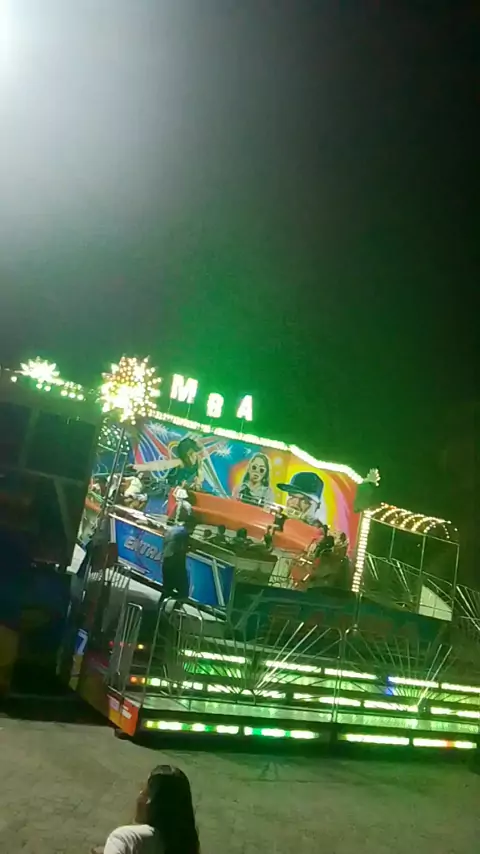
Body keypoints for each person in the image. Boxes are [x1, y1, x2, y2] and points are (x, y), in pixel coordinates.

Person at [92, 764, 200, 854]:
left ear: (149, 801)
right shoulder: (185, 845)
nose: (139, 794)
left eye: (144, 790)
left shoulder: (125, 838)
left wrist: (115, 846)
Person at [161, 513, 196, 599]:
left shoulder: (172, 529)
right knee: (184, 592)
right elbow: (182, 548)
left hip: (166, 560)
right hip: (176, 563)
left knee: (166, 589)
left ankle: (160, 605)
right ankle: (175, 605)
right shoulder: (184, 533)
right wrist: (191, 548)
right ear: (191, 525)